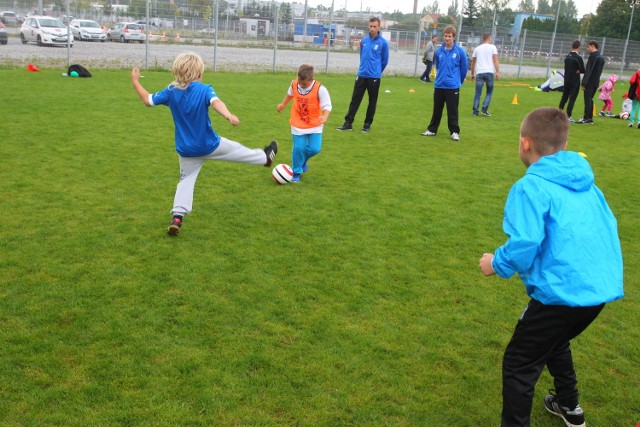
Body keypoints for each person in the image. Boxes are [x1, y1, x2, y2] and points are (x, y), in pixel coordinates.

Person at [479, 107, 624, 427]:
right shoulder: (587, 183)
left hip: (561, 293)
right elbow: (607, 227)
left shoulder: (531, 187)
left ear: (525, 144)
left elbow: (525, 243)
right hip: (596, 291)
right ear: (565, 145)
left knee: (519, 363)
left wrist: (496, 263)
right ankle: (569, 406)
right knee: (555, 341)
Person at [131, 51, 278, 236]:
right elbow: (216, 102)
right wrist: (228, 115)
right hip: (209, 145)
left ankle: (177, 216)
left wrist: (136, 81)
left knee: (185, 181)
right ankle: (264, 158)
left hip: (186, 150)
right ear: (198, 73)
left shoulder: (171, 91)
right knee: (236, 150)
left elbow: (148, 100)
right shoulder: (205, 89)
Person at [277, 64, 332, 183]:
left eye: (304, 84)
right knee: (299, 148)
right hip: (297, 122)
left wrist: (325, 116)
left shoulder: (320, 88)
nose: (301, 85)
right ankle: (296, 172)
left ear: (311, 80)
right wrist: (283, 104)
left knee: (315, 149)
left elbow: (327, 105)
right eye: (300, 83)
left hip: (315, 124)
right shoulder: (294, 83)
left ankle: (301, 160)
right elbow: (290, 94)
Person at [336, 17, 389, 133]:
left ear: (379, 27)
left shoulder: (383, 43)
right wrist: (363, 68)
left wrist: (377, 71)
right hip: (361, 75)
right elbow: (362, 56)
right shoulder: (364, 41)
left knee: (372, 101)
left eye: (374, 26)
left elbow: (384, 61)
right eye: (370, 26)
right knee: (355, 100)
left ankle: (367, 124)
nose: (372, 29)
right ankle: (348, 123)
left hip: (374, 77)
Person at [420, 25, 468, 141]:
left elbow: (464, 69)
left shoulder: (459, 52)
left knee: (452, 111)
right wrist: (439, 80)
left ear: (454, 37)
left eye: (449, 36)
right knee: (437, 109)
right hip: (439, 85)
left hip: (453, 87)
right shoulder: (439, 51)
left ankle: (454, 132)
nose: (447, 38)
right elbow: (439, 66)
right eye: (445, 36)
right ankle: (432, 130)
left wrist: (457, 82)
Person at [470, 33, 500, 116]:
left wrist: (472, 74)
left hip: (479, 73)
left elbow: (473, 63)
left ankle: (475, 111)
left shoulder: (477, 49)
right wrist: (497, 72)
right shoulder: (492, 47)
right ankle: (484, 110)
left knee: (478, 93)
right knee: (489, 92)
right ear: (489, 39)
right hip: (489, 72)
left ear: (483, 39)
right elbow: (495, 61)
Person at [577, 40, 605, 124]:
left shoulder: (593, 57)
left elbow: (589, 70)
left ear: (593, 46)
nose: (587, 48)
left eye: (588, 46)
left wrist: (584, 83)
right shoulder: (601, 57)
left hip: (590, 82)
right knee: (590, 99)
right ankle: (590, 118)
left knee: (587, 100)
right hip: (596, 82)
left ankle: (586, 118)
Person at [558, 40, 585, 123]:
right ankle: (568, 116)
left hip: (566, 79)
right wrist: (578, 70)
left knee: (564, 97)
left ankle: (559, 114)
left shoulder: (567, 56)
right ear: (579, 47)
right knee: (572, 98)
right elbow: (583, 70)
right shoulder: (578, 58)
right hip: (574, 81)